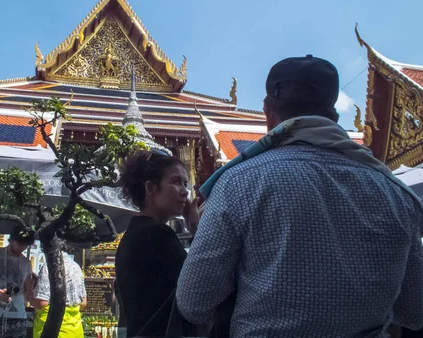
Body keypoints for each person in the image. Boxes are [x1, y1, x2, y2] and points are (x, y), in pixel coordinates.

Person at [177, 55, 423, 337]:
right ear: (334, 116)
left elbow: (193, 304)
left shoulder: (238, 184)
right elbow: (414, 313)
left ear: (268, 112)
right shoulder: (395, 194)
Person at [114, 150, 198, 337]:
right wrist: (197, 230)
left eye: (185, 183)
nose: (185, 191)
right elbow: (198, 282)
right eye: (176, 182)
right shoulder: (156, 234)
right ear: (151, 188)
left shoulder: (136, 232)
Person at [29, 245, 86, 338]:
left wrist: (28, 293)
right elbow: (83, 303)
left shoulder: (49, 266)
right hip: (75, 331)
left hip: (53, 330)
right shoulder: (76, 267)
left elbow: (42, 303)